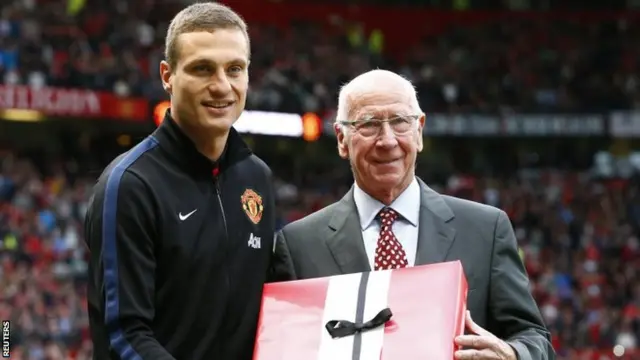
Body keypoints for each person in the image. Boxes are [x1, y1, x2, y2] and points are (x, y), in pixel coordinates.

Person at [270, 69, 555, 360]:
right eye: (369, 124)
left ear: (419, 131)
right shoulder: (297, 246)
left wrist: (514, 354)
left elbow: (535, 338)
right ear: (342, 139)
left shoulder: (486, 230)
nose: (388, 140)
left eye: (400, 122)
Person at [85, 3, 276, 359]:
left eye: (235, 69)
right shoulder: (130, 185)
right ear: (167, 75)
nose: (222, 86)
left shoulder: (257, 178)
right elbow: (125, 337)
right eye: (202, 69)